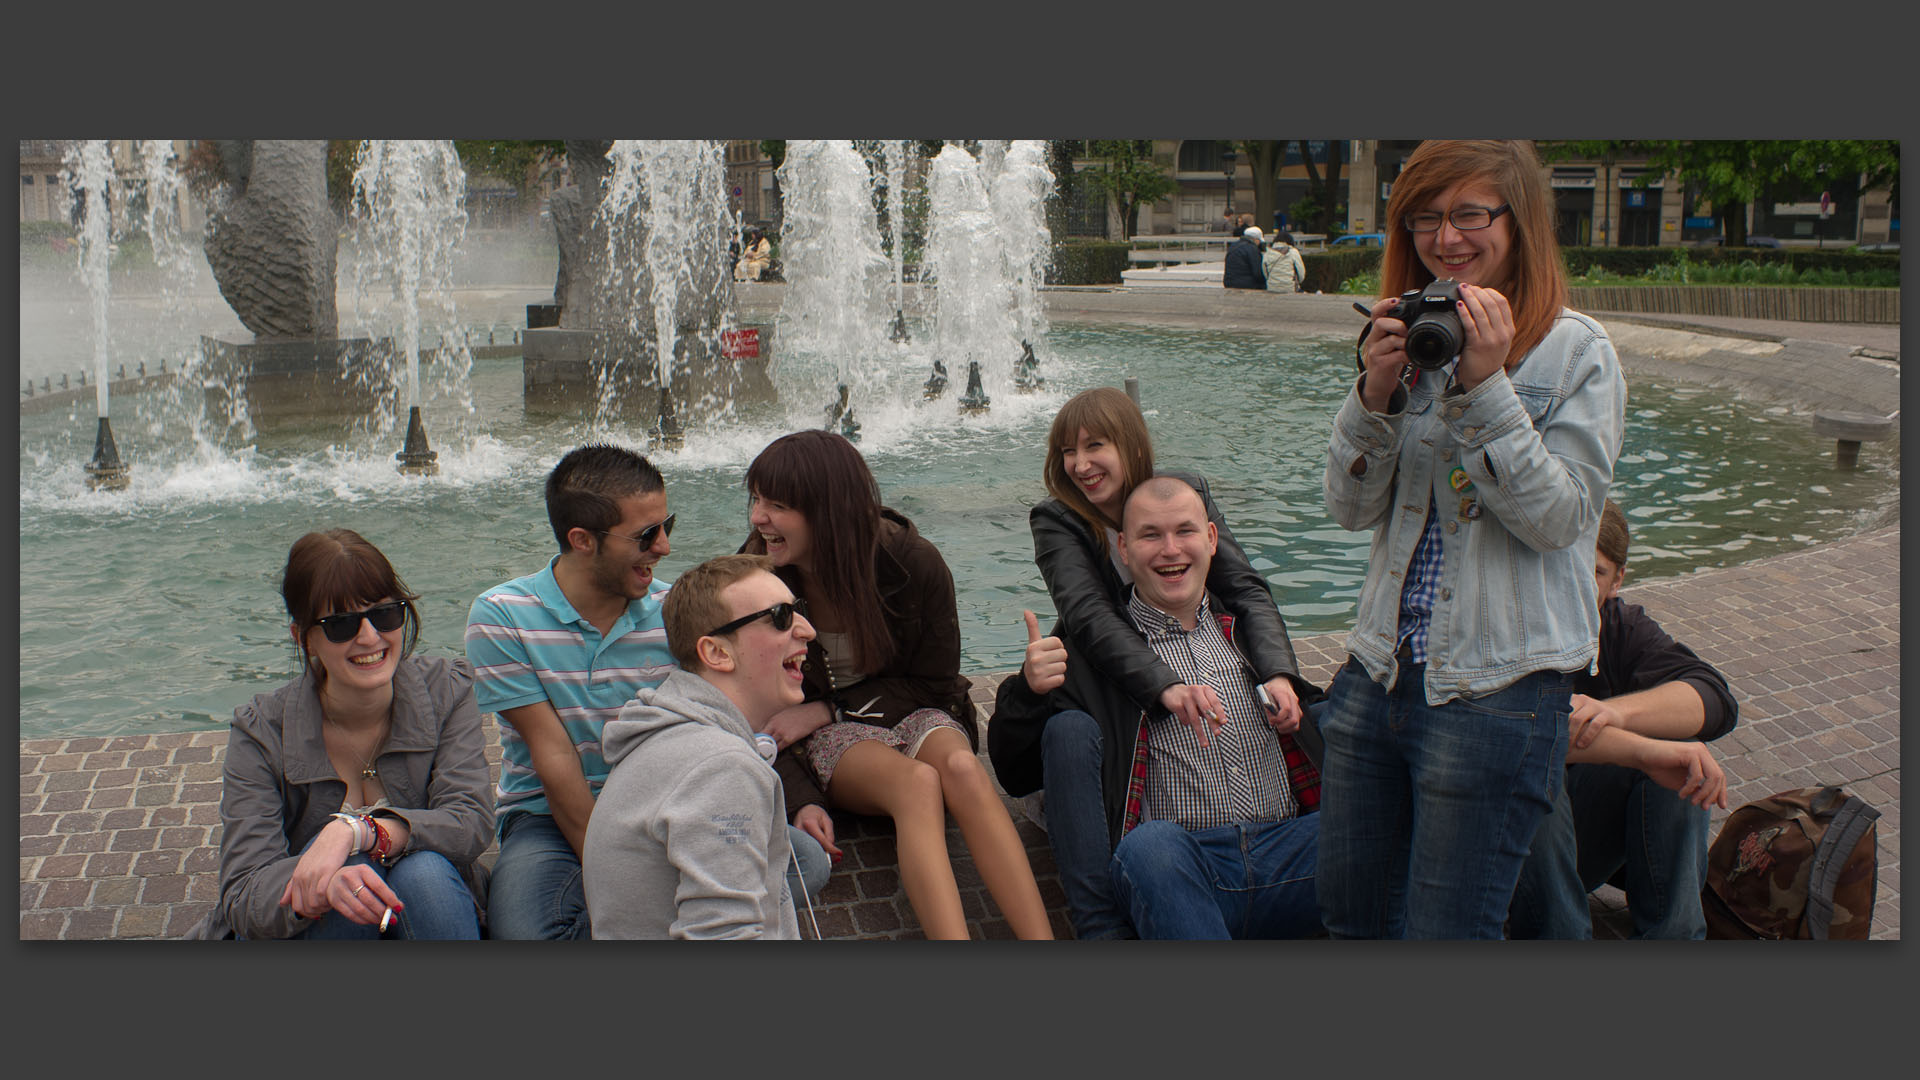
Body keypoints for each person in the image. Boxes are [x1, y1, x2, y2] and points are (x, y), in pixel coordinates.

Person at [1318, 138, 1628, 939]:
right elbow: (1349, 510)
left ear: (1516, 220)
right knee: (1351, 920)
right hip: (1378, 671)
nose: (1445, 239)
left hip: (1497, 691)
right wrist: (1375, 392)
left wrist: (1486, 386)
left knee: (1446, 933)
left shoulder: (1575, 350)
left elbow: (1561, 520)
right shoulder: (1418, 330)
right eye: (1424, 217)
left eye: (1467, 214)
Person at [986, 386, 1315, 939]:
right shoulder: (1059, 518)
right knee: (1074, 737)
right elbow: (1089, 615)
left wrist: (1279, 673)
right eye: (1069, 451)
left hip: (1275, 835)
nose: (1080, 464)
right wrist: (1166, 685)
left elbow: (1246, 588)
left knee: (1372, 818)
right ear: (1122, 548)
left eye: (1096, 445)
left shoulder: (1186, 494)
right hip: (1120, 679)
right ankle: (1101, 927)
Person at [466, 444, 830, 939]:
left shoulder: (670, 609)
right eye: (645, 535)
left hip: (669, 797)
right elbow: (554, 759)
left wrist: (791, 797)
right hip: (548, 816)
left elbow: (730, 714)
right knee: (529, 935)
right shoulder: (503, 616)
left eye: (667, 525)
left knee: (806, 860)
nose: (664, 547)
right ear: (582, 540)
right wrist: (619, 874)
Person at [742, 430, 1053, 939]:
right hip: (827, 739)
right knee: (917, 784)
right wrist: (801, 800)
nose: (759, 517)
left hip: (906, 706)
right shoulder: (759, 578)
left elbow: (934, 683)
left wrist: (829, 709)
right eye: (756, 499)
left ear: (829, 510)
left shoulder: (911, 563)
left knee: (964, 770)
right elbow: (751, 707)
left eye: (776, 504)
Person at [200, 529, 492, 940]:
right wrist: (320, 885)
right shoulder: (261, 730)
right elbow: (246, 893)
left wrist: (358, 831)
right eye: (340, 624)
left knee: (422, 872)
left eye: (386, 614)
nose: (370, 636)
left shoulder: (447, 690)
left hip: (428, 908)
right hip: (322, 929)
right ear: (304, 638)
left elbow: (470, 821)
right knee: (350, 878)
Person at [1507, 499, 1735, 939]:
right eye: (1564, 563)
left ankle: (1674, 937)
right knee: (1536, 766)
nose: (1575, 582)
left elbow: (1714, 697)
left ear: (1616, 582)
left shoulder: (1617, 627)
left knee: (1684, 763)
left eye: (1593, 571)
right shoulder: (1509, 626)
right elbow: (1526, 732)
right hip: (1502, 853)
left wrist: (1615, 712)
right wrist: (1643, 749)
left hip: (1579, 848)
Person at [583, 555, 813, 939]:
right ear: (717, 653)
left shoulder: (671, 733)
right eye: (780, 616)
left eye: (799, 610)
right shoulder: (721, 768)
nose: (808, 630)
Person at [1263, 229, 1307, 293]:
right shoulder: (1293, 252)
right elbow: (1301, 274)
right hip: (1290, 288)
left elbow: (1265, 273)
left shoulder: (1268, 253)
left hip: (1272, 288)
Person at [1222, 224, 1266, 289]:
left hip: (1228, 282)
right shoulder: (1252, 249)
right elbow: (1258, 273)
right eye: (1259, 241)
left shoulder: (1233, 246)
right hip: (1246, 284)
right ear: (1255, 239)